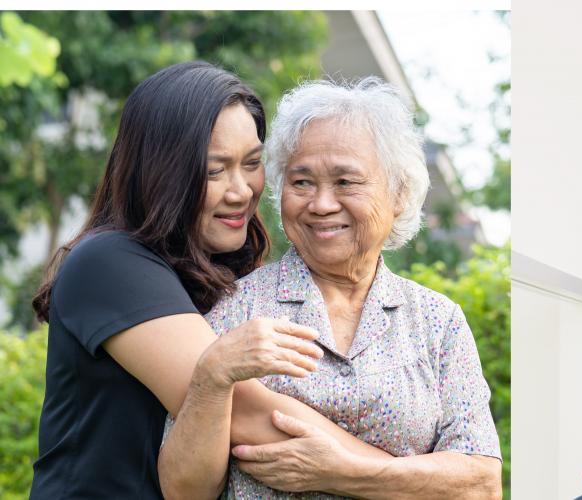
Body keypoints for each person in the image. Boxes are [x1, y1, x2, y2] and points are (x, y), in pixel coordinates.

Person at [28, 61, 394, 499]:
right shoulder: (110, 263)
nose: (241, 190)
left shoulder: (224, 270)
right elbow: (250, 416)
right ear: (161, 171)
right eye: (215, 170)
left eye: (252, 163)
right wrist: (426, 480)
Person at [161, 78, 503, 498]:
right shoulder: (236, 308)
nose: (321, 204)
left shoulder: (437, 321)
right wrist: (212, 378)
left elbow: (481, 485)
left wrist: (341, 471)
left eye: (345, 182)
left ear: (398, 194)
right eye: (301, 182)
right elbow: (183, 491)